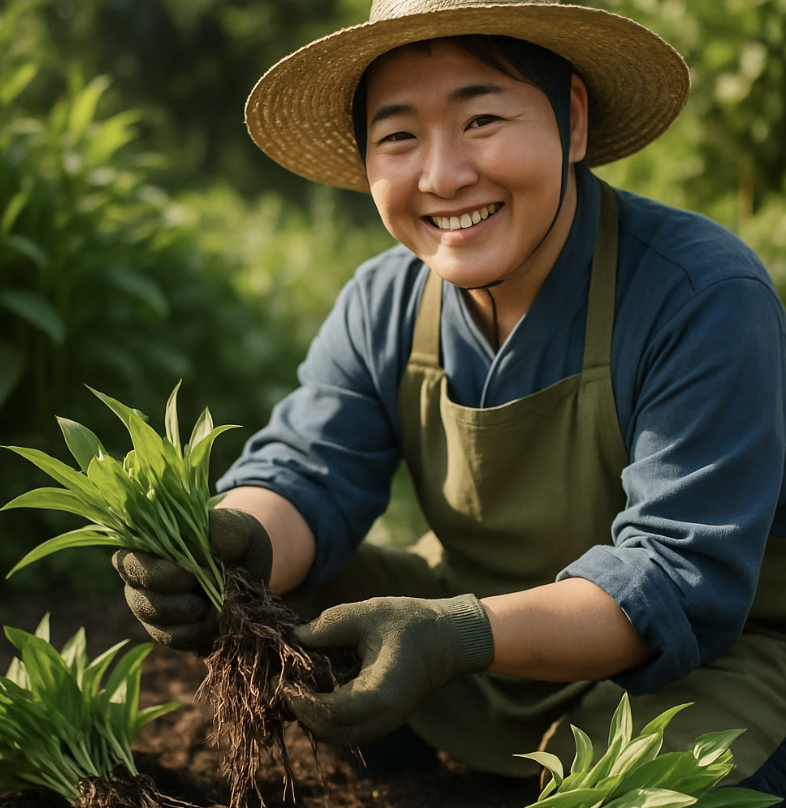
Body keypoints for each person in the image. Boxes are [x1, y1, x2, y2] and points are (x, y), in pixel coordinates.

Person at [113, 0, 786, 795]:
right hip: (470, 636)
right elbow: (308, 471)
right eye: (398, 136)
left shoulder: (698, 292)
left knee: (655, 780)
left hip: (695, 664)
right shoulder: (384, 301)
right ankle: (407, 740)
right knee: (279, 584)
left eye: (481, 120)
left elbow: (674, 578)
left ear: (572, 121)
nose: (442, 175)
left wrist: (457, 633)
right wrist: (230, 546)